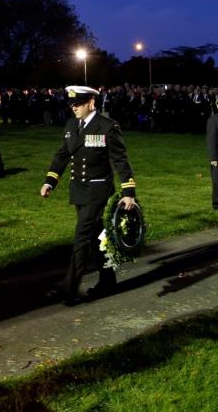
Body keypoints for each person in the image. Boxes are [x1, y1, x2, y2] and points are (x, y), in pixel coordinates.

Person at [40, 86, 137, 306]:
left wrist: (128, 192)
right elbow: (62, 155)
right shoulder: (71, 125)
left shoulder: (107, 126)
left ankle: (69, 288)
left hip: (98, 191)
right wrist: (50, 181)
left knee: (81, 237)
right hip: (78, 191)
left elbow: (120, 161)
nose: (73, 108)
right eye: (71, 104)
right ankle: (108, 280)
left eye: (78, 104)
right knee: (96, 237)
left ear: (91, 102)